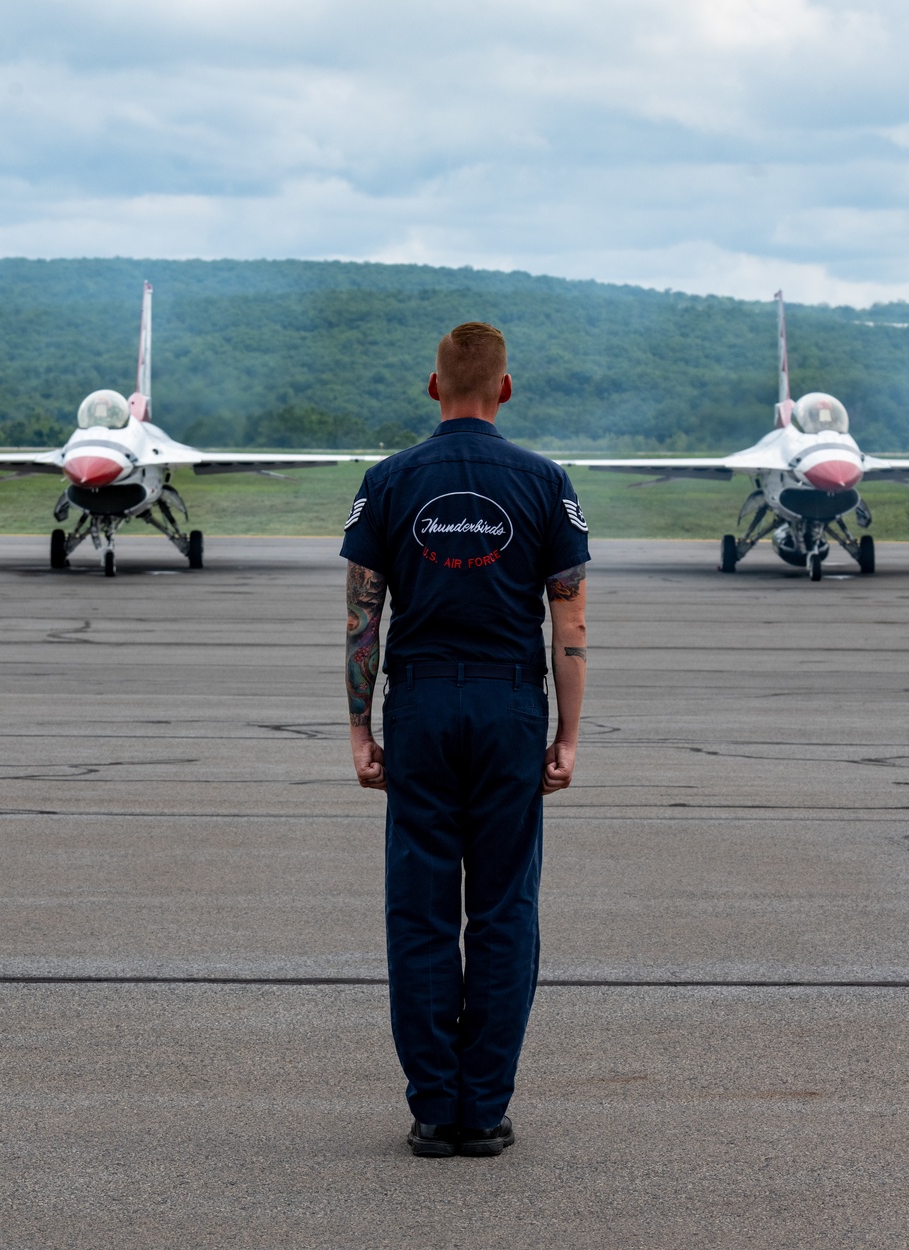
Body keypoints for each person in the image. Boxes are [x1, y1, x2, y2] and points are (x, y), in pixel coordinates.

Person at [340, 321, 589, 1158]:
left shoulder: (388, 481)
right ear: (506, 388)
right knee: (504, 910)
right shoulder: (546, 483)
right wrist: (568, 735)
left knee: (418, 913)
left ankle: (431, 1110)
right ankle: (482, 1110)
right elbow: (571, 619)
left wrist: (358, 726)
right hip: (509, 707)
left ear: (433, 386)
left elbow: (362, 613)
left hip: (418, 708)